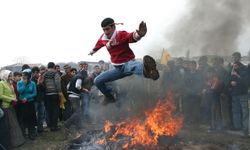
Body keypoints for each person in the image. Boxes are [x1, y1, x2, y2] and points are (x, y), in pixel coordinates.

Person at [89, 17, 159, 105]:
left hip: (127, 63)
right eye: (104, 30)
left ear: (113, 27)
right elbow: (98, 45)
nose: (106, 32)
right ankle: (109, 97)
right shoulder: (103, 38)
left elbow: (130, 37)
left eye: (107, 29)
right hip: (118, 69)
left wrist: (139, 35)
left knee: (134, 66)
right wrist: (92, 51)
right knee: (97, 81)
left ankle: (149, 72)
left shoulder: (121, 34)